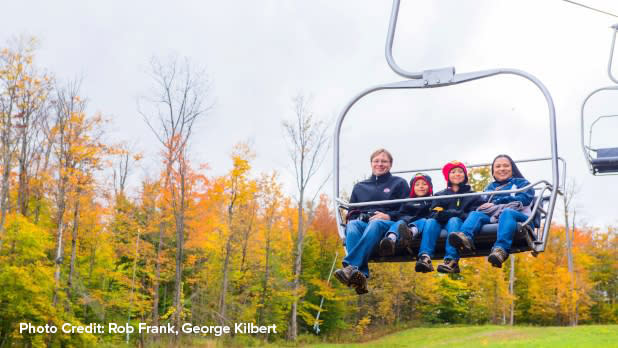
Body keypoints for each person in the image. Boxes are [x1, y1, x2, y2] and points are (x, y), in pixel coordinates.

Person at [334, 149, 410, 294]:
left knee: (375, 223)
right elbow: (351, 213)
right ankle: (360, 274)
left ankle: (351, 266)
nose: (380, 164)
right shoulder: (360, 187)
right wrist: (357, 217)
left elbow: (407, 210)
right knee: (352, 224)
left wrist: (388, 216)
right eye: (376, 161)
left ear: (390, 164)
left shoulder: (399, 183)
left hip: (388, 225)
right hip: (365, 223)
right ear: (371, 163)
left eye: (384, 161)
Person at [448, 154, 535, 268]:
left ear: (512, 168)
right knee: (476, 214)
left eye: (506, 166)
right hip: (494, 217)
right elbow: (481, 204)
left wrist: (497, 202)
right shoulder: (490, 187)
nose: (502, 169)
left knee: (507, 212)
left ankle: (500, 250)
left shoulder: (522, 183)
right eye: (498, 166)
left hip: (518, 217)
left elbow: (525, 199)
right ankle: (465, 238)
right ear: (493, 171)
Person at [417, 161, 482, 273]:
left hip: (458, 225)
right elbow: (434, 213)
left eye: (460, 171)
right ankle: (425, 257)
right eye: (453, 172)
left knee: (454, 220)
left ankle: (451, 260)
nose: (457, 174)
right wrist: (456, 212)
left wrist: (450, 213)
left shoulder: (472, 195)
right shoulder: (440, 195)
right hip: (439, 224)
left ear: (465, 175)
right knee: (430, 222)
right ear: (448, 176)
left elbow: (472, 214)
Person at [378, 173, 434, 257]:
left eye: (424, 184)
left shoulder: (432, 200)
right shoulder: (408, 201)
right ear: (412, 188)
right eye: (417, 185)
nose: (421, 186)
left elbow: (432, 214)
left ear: (429, 187)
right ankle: (390, 239)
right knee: (400, 221)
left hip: (420, 223)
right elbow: (401, 213)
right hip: (406, 221)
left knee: (422, 220)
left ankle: (410, 233)